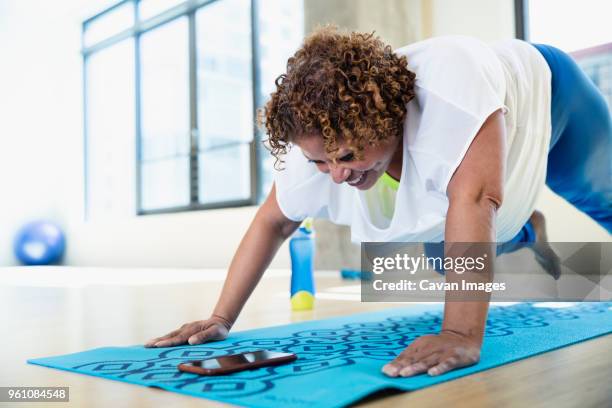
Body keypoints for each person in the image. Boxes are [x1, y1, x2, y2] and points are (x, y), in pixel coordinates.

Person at [145, 27, 611, 378]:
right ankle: (525, 227)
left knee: (601, 196)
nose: (339, 174)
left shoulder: (450, 92)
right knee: (446, 254)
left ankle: (520, 221)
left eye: (348, 155)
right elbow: (272, 222)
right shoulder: (318, 148)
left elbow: (475, 197)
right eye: (322, 163)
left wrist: (460, 335)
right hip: (476, 181)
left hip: (552, 97)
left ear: (385, 121)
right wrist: (222, 317)